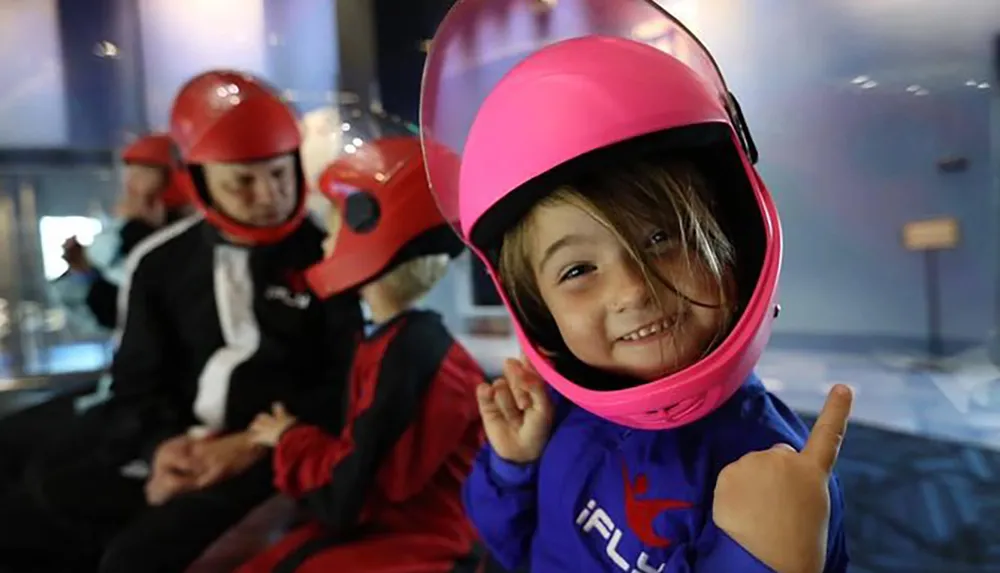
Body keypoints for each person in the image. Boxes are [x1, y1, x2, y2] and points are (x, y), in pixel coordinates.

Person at [419, 1, 849, 572]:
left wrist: (767, 559)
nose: (632, 290)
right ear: (537, 310)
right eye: (577, 271)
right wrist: (513, 466)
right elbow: (515, 548)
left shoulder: (775, 471)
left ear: (734, 241)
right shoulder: (563, 416)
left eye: (662, 239)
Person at [0, 70, 363, 573]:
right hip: (181, 446)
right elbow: (135, 383)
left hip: (273, 452)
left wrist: (246, 446)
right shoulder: (160, 262)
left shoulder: (325, 252)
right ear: (200, 181)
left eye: (279, 173)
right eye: (242, 181)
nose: (268, 196)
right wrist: (162, 450)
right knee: (37, 499)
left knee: (133, 559)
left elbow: (345, 381)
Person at [235, 136, 484, 573]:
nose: (327, 244)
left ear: (372, 228)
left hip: (419, 547)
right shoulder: (399, 340)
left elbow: (349, 495)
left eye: (334, 229)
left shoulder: (410, 353)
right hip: (396, 534)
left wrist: (289, 439)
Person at [59, 132, 194, 330]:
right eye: (130, 175)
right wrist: (85, 271)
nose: (130, 186)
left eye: (140, 174)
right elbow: (108, 313)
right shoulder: (124, 235)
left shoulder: (183, 239)